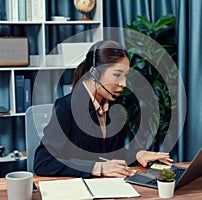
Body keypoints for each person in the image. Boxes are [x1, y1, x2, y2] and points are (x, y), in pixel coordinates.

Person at [34, 40, 173, 178]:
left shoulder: (114, 108)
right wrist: (96, 167)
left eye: (125, 76)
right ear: (94, 73)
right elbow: (43, 162)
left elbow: (111, 154)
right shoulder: (66, 107)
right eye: (117, 75)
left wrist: (138, 155)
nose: (123, 84)